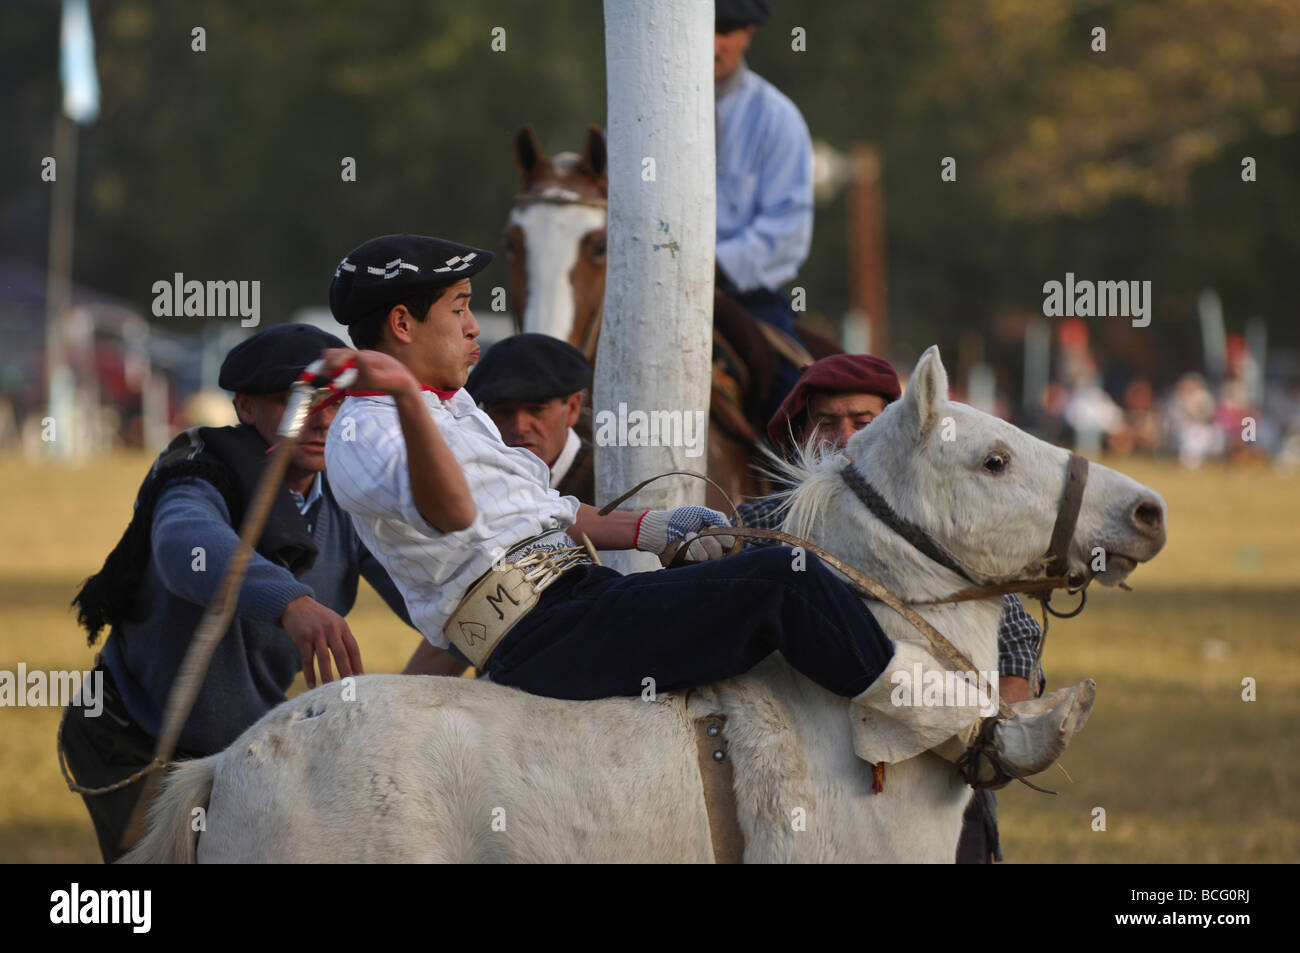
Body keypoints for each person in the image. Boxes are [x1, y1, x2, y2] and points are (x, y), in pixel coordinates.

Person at [320, 233, 1090, 809]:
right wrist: (393, 394)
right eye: (459, 310)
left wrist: (662, 528)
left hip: (573, 594)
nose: (474, 328)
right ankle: (975, 733)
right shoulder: (365, 430)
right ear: (399, 324)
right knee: (781, 580)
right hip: (538, 631)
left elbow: (552, 512)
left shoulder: (450, 409)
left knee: (764, 552)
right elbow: (452, 510)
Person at [62, 323, 423, 863]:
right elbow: (185, 543)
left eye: (337, 401)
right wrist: (290, 601)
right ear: (247, 408)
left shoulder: (349, 496)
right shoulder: (199, 470)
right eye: (297, 401)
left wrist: (483, 627)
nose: (323, 418)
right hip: (136, 742)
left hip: (244, 749)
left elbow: (418, 587)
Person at [740, 353, 1048, 862]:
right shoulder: (759, 524)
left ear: (897, 431)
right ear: (800, 430)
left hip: (937, 772)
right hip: (804, 780)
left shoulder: (942, 527)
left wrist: (992, 738)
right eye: (826, 423)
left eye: (863, 423)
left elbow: (1014, 640)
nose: (843, 439)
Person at [714, 0, 815, 415]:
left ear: (748, 34)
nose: (712, 44)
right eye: (702, 28)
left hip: (743, 297)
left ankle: (789, 481)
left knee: (795, 407)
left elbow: (786, 232)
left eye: (726, 30)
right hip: (639, 291)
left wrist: (709, 265)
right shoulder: (636, 113)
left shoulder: (777, 118)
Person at [466, 333, 595, 505]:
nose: (520, 427)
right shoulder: (470, 480)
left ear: (572, 408)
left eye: (536, 410)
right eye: (503, 412)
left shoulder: (610, 480)